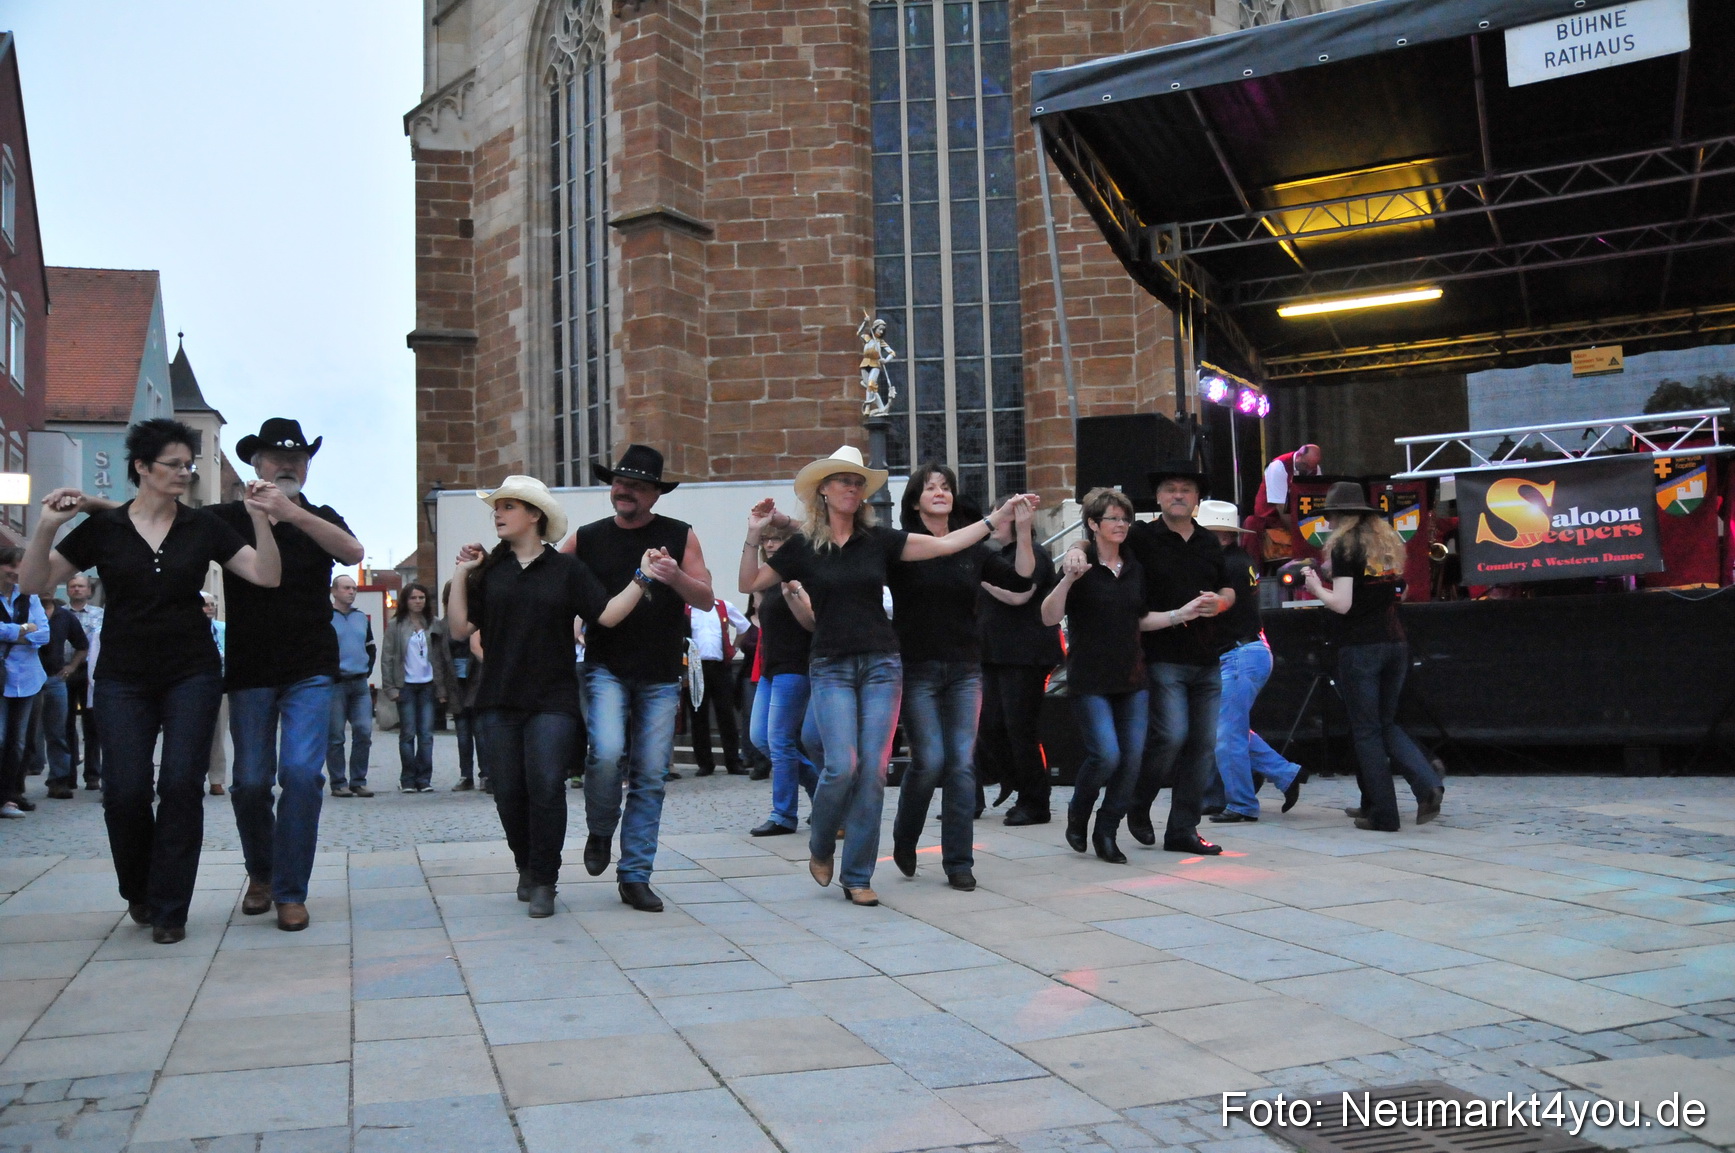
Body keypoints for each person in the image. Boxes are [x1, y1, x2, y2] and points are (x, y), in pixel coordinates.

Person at [739, 444, 1038, 907]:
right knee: (842, 766)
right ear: (825, 489)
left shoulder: (880, 541)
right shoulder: (805, 547)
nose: (853, 488)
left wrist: (994, 521)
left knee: (877, 771)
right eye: (845, 480)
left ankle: (859, 874)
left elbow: (945, 545)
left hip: (884, 663)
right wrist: (756, 533)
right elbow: (748, 584)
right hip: (832, 664)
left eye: (858, 482)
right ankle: (820, 842)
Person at [25, 418, 282, 943]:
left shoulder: (203, 526)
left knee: (181, 787)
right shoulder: (106, 528)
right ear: (142, 468)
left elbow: (265, 575)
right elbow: (34, 582)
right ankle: (139, 888)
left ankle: (170, 907)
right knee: (123, 791)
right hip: (122, 676)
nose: (185, 473)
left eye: (189, 464)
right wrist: (48, 525)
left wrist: (260, 520)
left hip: (192, 671)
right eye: (174, 464)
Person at [447, 475, 654, 918]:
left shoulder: (566, 569)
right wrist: (460, 573)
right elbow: (460, 628)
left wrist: (642, 577)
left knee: (545, 786)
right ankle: (525, 865)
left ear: (534, 515)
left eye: (508, 507)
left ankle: (545, 880)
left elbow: (608, 615)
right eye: (496, 508)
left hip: (552, 698)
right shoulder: (490, 570)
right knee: (508, 791)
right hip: (496, 698)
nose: (498, 514)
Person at [566, 445, 716, 914]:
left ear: (653, 494)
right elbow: (556, 581)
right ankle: (601, 827)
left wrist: (674, 578)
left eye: (635, 485)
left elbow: (708, 598)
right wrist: (571, 617)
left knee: (650, 776)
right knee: (606, 754)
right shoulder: (586, 538)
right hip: (606, 666)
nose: (623, 491)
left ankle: (635, 875)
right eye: (619, 483)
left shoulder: (679, 535)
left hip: (659, 673)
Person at [886, 463, 1036, 892]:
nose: (940, 492)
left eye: (946, 487)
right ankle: (905, 834)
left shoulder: (972, 548)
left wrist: (1022, 531)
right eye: (930, 487)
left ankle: (958, 862)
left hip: (965, 667)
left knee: (961, 764)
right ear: (915, 501)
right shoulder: (903, 546)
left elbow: (1022, 578)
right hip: (916, 666)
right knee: (929, 760)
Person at [1043, 489, 1211, 864]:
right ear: (1093, 524)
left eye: (1124, 519)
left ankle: (1107, 829)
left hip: (1132, 676)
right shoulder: (1080, 561)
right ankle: (1078, 809)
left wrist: (1178, 615)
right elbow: (1049, 616)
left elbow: (1140, 618)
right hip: (1090, 677)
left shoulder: (1134, 565)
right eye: (1113, 519)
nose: (1120, 525)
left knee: (1132, 759)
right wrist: (1069, 577)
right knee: (1106, 755)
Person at [1302, 482, 1445, 832]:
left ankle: (1384, 813)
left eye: (1331, 516)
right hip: (1395, 643)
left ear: (1339, 516)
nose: (1330, 523)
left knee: (1366, 732)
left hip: (1360, 648)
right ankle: (1427, 784)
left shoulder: (1345, 548)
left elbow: (1343, 604)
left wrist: (1315, 586)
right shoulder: (1386, 545)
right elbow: (1401, 591)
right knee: (1385, 723)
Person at [1116, 460, 1236, 857]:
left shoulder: (1207, 542)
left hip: (1207, 655)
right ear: (1159, 497)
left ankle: (1183, 828)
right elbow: (1098, 542)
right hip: (1161, 654)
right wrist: (1079, 553)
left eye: (1186, 489)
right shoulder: (1140, 537)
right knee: (1171, 736)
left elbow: (1229, 588)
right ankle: (1138, 801)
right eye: (1170, 489)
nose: (1178, 495)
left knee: (1203, 745)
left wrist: (1220, 603)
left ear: (1198, 499)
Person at [1195, 499, 1302, 823]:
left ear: (1219, 535)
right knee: (1228, 729)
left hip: (1239, 655)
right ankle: (1285, 773)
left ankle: (1242, 804)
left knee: (1226, 734)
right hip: (1247, 652)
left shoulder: (1225, 567)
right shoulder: (1239, 561)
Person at [976, 513, 1063, 827]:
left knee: (1020, 729)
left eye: (1000, 517)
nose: (994, 523)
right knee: (990, 726)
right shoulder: (998, 556)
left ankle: (1035, 802)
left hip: (1026, 656)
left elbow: (1019, 594)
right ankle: (1013, 780)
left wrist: (980, 576)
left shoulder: (1033, 554)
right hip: (994, 655)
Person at [745, 525, 816, 837]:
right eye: (767, 539)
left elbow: (813, 621)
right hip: (771, 668)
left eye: (777, 538)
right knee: (761, 738)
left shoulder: (802, 574)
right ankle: (827, 793)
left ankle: (784, 815)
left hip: (796, 665)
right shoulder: (767, 581)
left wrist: (795, 590)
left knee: (779, 740)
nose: (771, 544)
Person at [383, 583, 446, 793]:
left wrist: (442, 689)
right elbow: (388, 657)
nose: (418, 601)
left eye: (421, 598)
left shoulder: (434, 624)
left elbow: (441, 657)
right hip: (406, 685)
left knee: (426, 735)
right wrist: (390, 688)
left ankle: (424, 778)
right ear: (405, 601)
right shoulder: (396, 625)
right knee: (408, 734)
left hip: (428, 685)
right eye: (413, 598)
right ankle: (408, 778)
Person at [0, 548, 48, 819]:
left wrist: (8, 633)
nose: (17, 573)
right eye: (12, 567)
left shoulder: (29, 598)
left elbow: (44, 634)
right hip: (2, 675)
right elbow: (32, 631)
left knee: (18, 742)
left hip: (28, 677)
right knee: (1, 738)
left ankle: (10, 796)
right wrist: (21, 629)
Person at [684, 595, 750, 776]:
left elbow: (744, 626)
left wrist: (733, 648)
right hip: (695, 667)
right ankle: (705, 763)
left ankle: (733, 761)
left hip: (721, 666)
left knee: (726, 714)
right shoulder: (687, 609)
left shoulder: (723, 606)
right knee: (698, 715)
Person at [328, 574, 376, 797]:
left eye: (354, 588)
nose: (351, 592)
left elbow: (371, 647)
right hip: (336, 684)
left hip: (359, 683)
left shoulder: (361, 619)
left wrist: (367, 669)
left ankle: (358, 780)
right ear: (334, 591)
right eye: (346, 588)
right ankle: (338, 782)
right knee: (336, 735)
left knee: (364, 731)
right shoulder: (326, 617)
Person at [39, 597, 89, 800]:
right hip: (25, 679)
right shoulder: (24, 610)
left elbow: (82, 645)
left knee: (58, 732)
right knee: (19, 736)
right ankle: (13, 787)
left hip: (55, 678)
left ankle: (59, 781)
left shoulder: (64, 616)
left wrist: (71, 667)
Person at [435, 581, 481, 791]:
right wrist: (441, 690)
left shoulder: (477, 621)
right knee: (462, 734)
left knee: (481, 733)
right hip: (455, 684)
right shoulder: (442, 626)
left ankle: (486, 774)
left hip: (476, 681)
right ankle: (466, 775)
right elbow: (437, 660)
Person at [1251, 443, 1322, 561]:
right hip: (1271, 519)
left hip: (1298, 520)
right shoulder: (1278, 466)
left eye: (1311, 467)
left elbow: (1314, 500)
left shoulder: (1314, 469)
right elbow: (1280, 507)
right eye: (1306, 465)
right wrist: (1300, 534)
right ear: (1299, 455)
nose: (1308, 471)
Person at [65, 573, 103, 790]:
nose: (77, 590)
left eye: (81, 586)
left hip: (90, 672)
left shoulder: (100, 615)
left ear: (89, 591)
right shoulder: (60, 614)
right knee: (66, 723)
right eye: (73, 586)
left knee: (92, 726)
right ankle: (68, 773)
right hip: (65, 670)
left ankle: (92, 775)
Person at [201, 593, 229, 797]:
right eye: (205, 605)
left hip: (219, 685)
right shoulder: (186, 630)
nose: (210, 608)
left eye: (212, 605)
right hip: (193, 684)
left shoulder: (223, 629)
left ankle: (217, 779)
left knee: (218, 734)